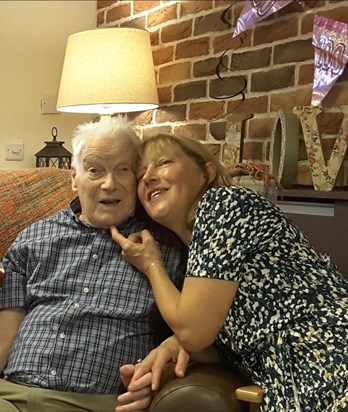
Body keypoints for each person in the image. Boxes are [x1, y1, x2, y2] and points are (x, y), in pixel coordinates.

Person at [111, 133, 348, 411]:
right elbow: (222, 339)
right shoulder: (197, 258)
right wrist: (172, 346)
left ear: (206, 173)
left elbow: (194, 332)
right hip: (296, 384)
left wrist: (152, 265)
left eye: (163, 163)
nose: (148, 177)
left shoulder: (223, 203)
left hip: (332, 361)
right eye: (141, 175)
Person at [0, 118, 188, 412]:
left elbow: (194, 329)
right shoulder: (32, 238)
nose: (109, 183)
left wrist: (159, 374)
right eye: (94, 170)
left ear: (137, 177)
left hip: (96, 403)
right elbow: (6, 334)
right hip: (10, 395)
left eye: (122, 169)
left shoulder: (165, 246)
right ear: (74, 177)